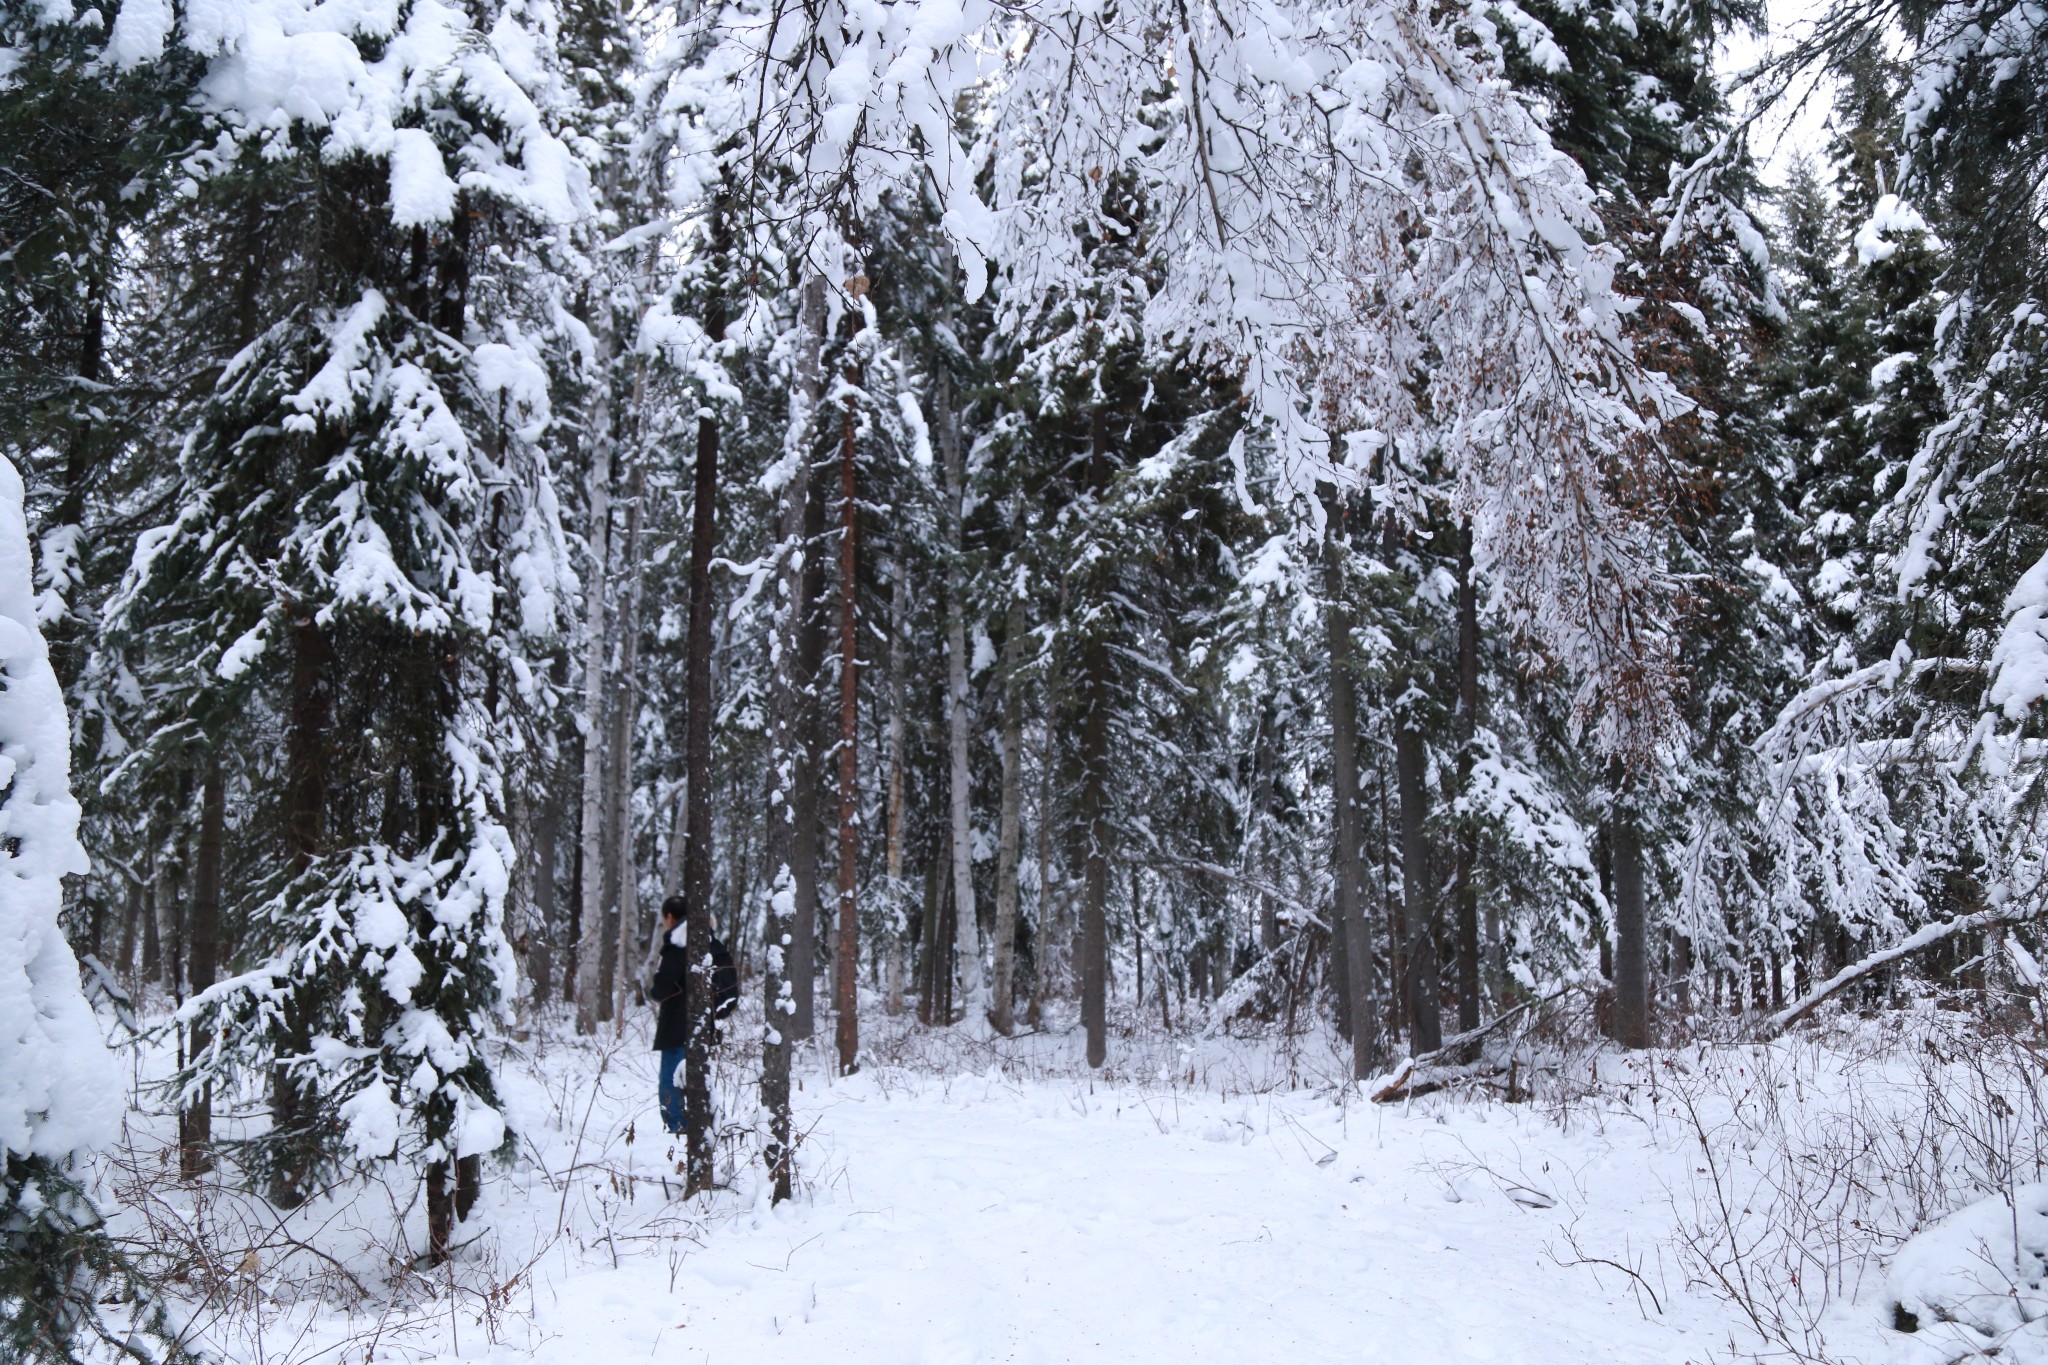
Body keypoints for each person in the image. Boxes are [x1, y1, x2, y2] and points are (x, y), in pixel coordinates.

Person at [650, 897, 742, 1139]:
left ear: (670, 917)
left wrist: (656, 992)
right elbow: (730, 987)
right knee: (699, 1078)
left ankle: (677, 1128)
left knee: (672, 1079)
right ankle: (702, 1124)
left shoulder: (680, 943)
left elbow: (663, 985)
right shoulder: (712, 942)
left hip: (677, 1027)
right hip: (706, 1026)